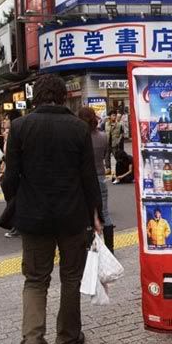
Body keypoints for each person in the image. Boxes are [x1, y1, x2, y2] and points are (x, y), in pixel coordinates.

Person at [1, 74, 102, 344]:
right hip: (72, 217)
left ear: (36, 97)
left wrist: (17, 204)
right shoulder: (77, 128)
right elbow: (88, 178)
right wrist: (95, 214)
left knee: (35, 280)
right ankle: (67, 338)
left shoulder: (20, 127)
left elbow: (9, 179)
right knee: (70, 278)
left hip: (33, 219)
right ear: (61, 97)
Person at [78, 107, 115, 253]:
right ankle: (110, 248)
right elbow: (105, 154)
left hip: (84, 179)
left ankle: (90, 247)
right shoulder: (103, 136)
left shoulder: (79, 137)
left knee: (86, 214)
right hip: (100, 176)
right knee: (104, 212)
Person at [104, 110, 124, 174]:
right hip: (107, 144)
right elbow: (102, 131)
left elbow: (122, 134)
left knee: (117, 157)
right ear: (109, 116)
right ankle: (108, 169)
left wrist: (118, 141)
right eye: (113, 115)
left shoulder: (119, 125)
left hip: (115, 144)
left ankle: (120, 169)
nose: (114, 117)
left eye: (115, 115)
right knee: (107, 158)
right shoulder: (106, 124)